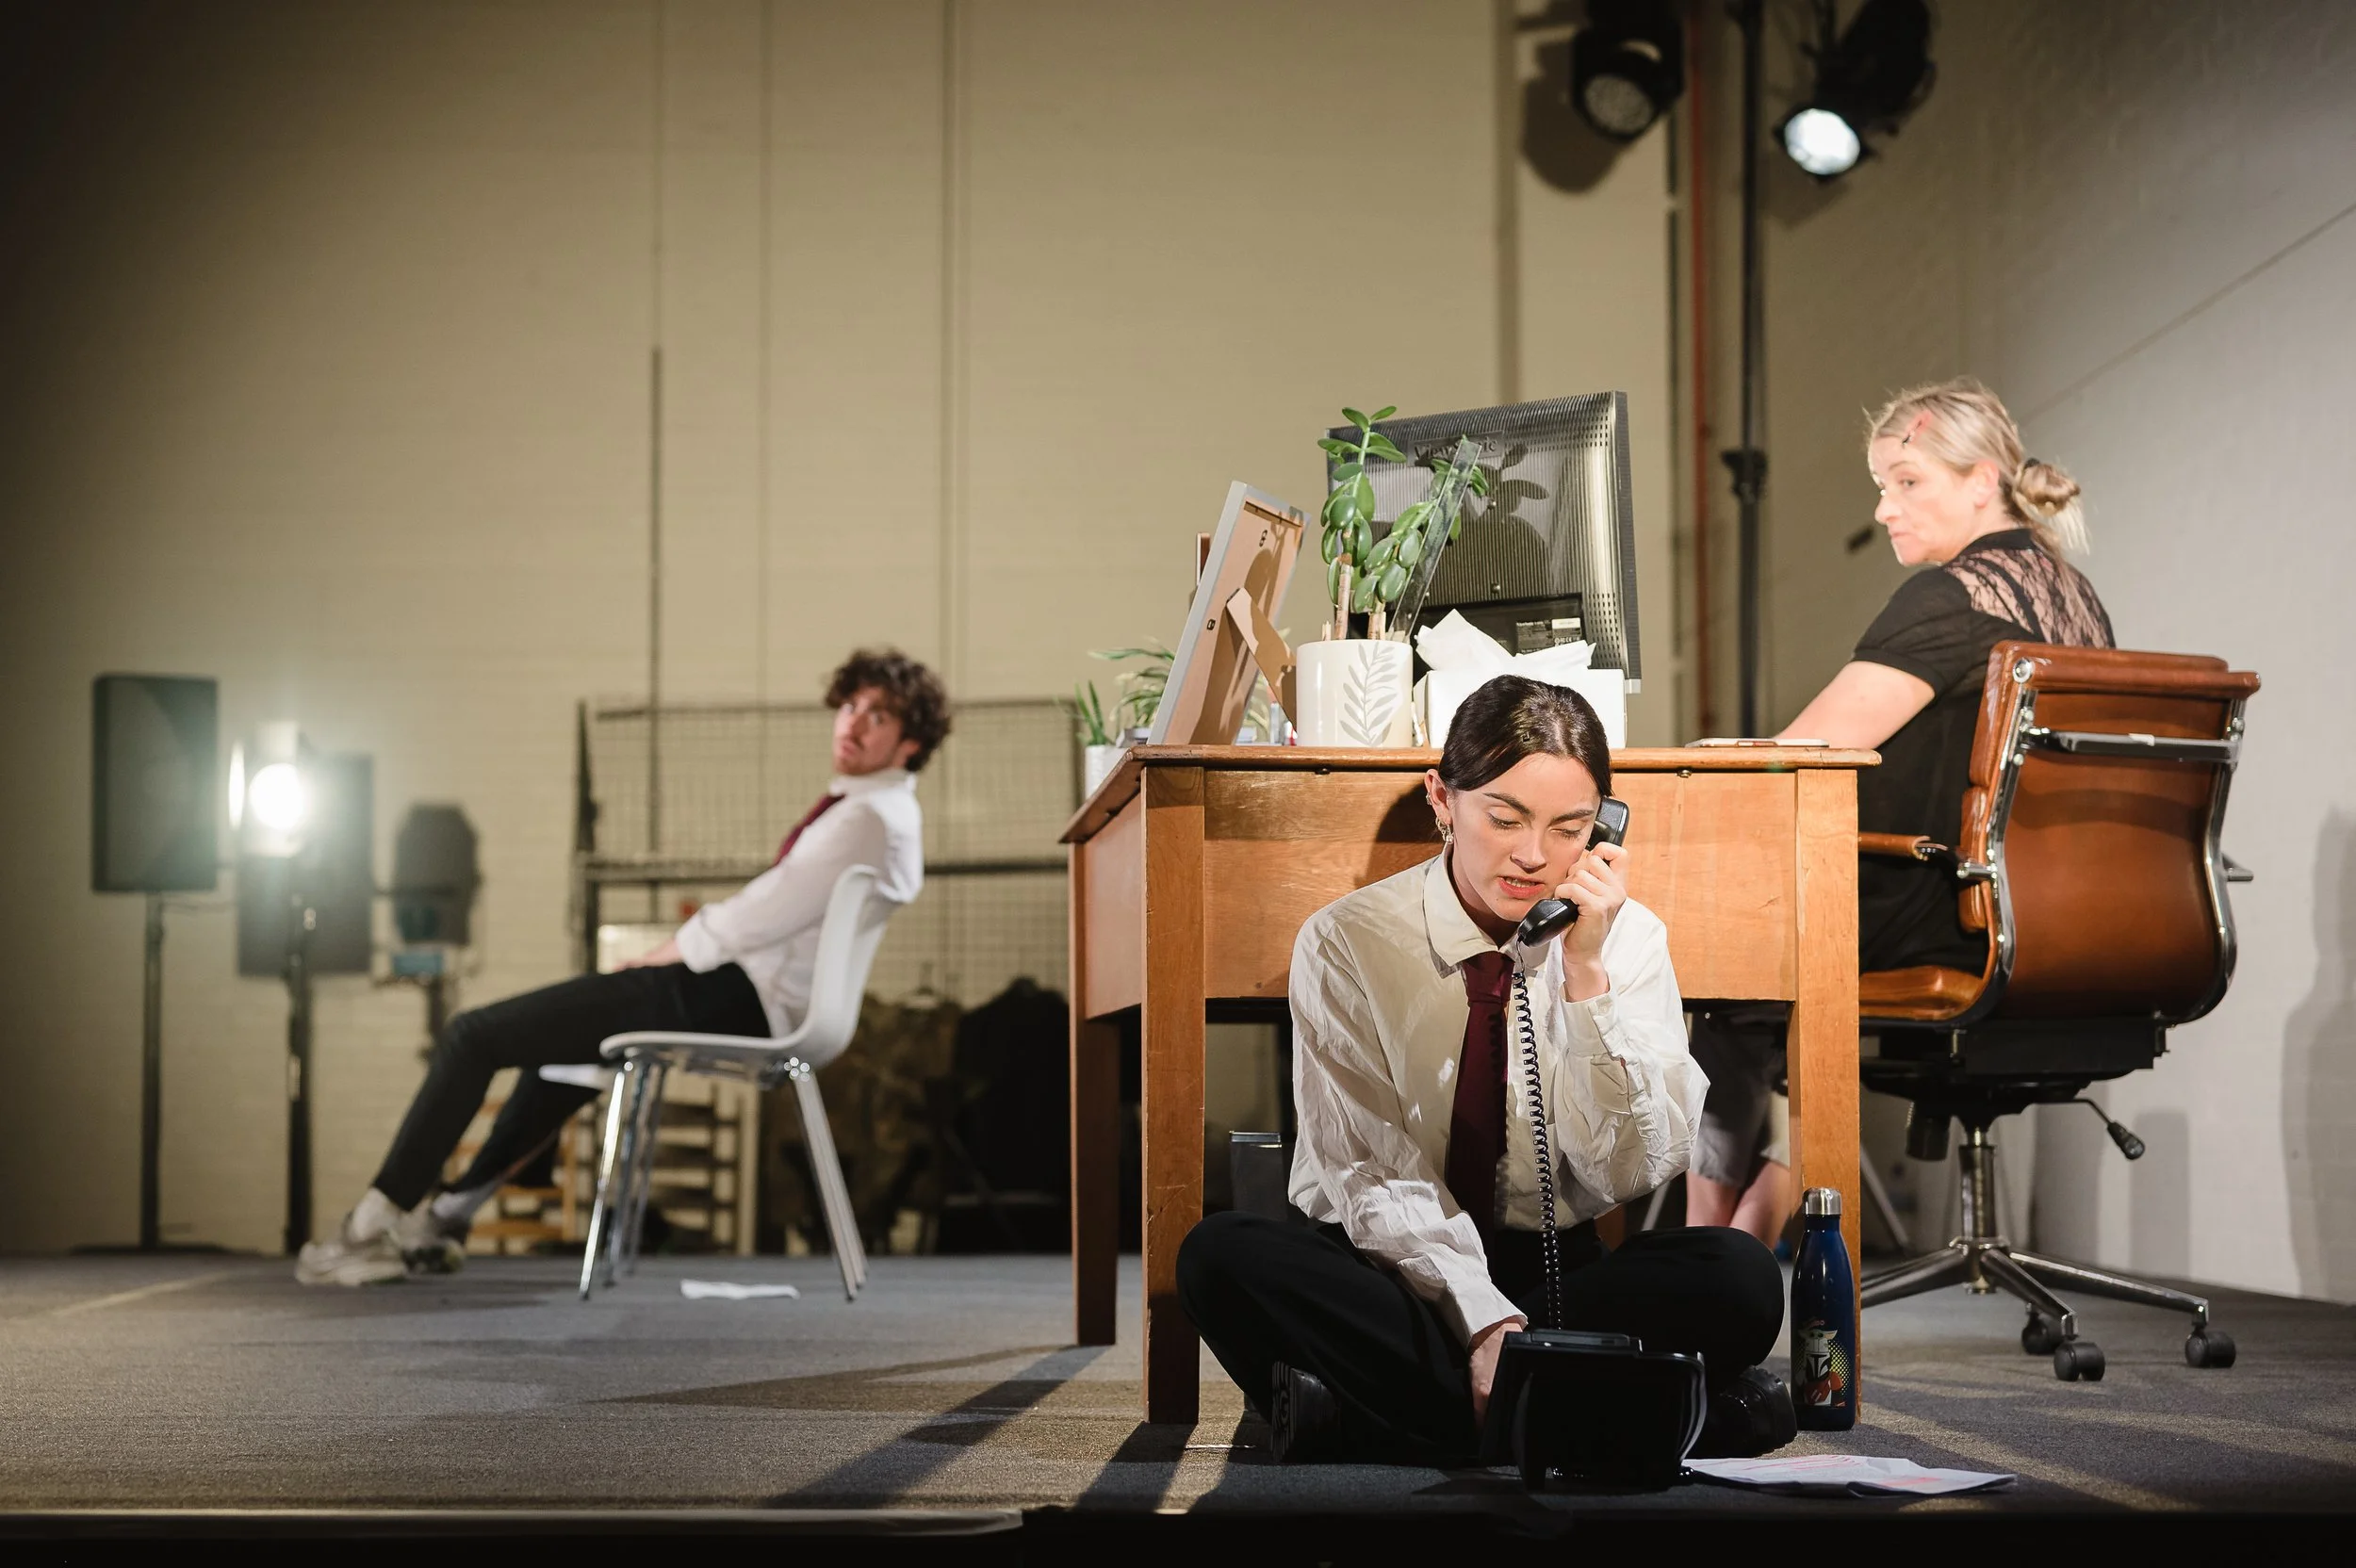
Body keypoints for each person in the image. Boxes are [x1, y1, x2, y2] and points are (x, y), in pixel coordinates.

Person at [1176, 676, 1791, 1465]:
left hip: (1552, 1271)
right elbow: (1369, 1174)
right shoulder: (1345, 942)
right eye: (1504, 818)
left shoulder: (1626, 941)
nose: (1533, 856)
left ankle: (1373, 1421)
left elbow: (1633, 1169)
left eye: (1570, 828)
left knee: (1739, 1275)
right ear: (1443, 800)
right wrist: (1482, 1325)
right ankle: (1629, 1419)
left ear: (1603, 827)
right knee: (1220, 1256)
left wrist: (1588, 978)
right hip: (1392, 1265)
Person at [295, 649, 950, 1286]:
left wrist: (667, 951)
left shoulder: (868, 816)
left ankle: (370, 1227)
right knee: (565, 1052)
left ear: (910, 743)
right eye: (851, 707)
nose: (852, 724)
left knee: (474, 1034)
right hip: (756, 997)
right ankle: (444, 1217)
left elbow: (765, 912)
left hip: (738, 996)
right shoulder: (884, 813)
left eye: (878, 717)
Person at [1686, 377, 2115, 1244]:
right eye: (1882, 486)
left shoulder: (1954, 596)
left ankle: (1709, 1258)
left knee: (1721, 967)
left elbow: (1803, 753)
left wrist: (1704, 760)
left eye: (1908, 481)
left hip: (1937, 910)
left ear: (1982, 480)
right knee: (1757, 975)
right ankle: (1720, 1258)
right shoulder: (2080, 604)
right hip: (2054, 921)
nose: (1886, 509)